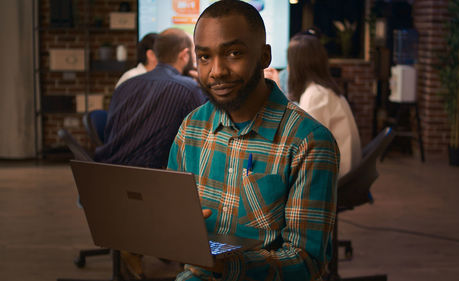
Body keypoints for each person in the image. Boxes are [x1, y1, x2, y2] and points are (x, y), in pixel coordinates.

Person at [167, 1, 339, 280]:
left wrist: (229, 265)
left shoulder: (309, 141)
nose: (217, 71)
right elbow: (170, 218)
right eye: (205, 57)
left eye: (234, 53)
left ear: (264, 56)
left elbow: (307, 261)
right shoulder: (192, 128)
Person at [95, 28, 206, 169]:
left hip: (107, 172)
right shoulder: (188, 88)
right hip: (152, 179)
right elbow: (203, 140)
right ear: (184, 55)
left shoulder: (125, 85)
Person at [287, 33, 362, 177]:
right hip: (345, 173)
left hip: (335, 178)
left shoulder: (316, 95)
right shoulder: (325, 90)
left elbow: (301, 144)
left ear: (296, 65)